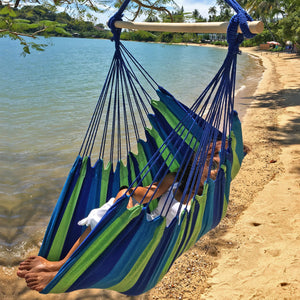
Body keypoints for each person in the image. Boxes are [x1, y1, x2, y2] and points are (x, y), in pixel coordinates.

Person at [17, 140, 245, 292]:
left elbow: (194, 224)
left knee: (109, 218)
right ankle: (61, 264)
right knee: (106, 211)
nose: (212, 171)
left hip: (158, 242)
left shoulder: (207, 200)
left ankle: (59, 271)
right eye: (209, 163)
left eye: (217, 167)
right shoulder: (174, 179)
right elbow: (147, 195)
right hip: (144, 229)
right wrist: (126, 193)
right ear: (197, 161)